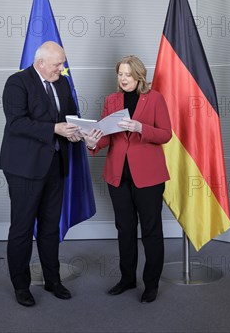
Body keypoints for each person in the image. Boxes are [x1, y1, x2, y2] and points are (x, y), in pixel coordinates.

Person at [83, 55, 172, 303]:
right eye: (120, 74)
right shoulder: (111, 100)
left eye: (128, 75)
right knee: (125, 229)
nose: (123, 79)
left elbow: (166, 134)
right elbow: (105, 136)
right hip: (118, 175)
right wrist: (92, 143)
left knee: (151, 231)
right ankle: (127, 279)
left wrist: (140, 128)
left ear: (139, 76)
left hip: (148, 176)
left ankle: (151, 284)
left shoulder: (155, 99)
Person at [0, 41, 81, 307]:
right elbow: (17, 122)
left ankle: (53, 280)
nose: (62, 68)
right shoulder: (17, 83)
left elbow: (70, 117)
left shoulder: (62, 83)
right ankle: (21, 286)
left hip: (55, 165)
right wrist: (54, 129)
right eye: (58, 64)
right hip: (24, 169)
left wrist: (81, 131)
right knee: (22, 229)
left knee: (49, 228)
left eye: (63, 63)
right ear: (40, 63)